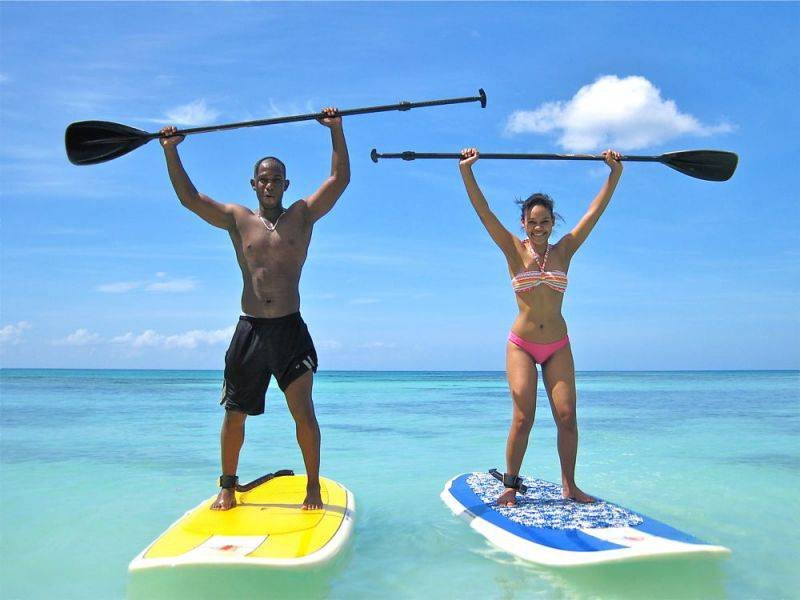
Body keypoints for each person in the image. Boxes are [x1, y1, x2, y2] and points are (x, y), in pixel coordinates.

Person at [159, 107, 349, 511]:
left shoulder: (302, 215)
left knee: (304, 412)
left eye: (276, 179)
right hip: (251, 331)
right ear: (253, 183)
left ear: (285, 183)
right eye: (263, 179)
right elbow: (189, 199)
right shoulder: (236, 219)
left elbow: (339, 179)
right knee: (235, 414)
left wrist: (336, 130)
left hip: (290, 330)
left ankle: (312, 486)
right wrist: (171, 151)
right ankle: (228, 485)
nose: (269, 185)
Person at [458, 147, 622, 505]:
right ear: (523, 223)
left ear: (552, 223)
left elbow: (594, 213)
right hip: (522, 344)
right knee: (523, 416)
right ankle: (510, 486)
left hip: (558, 345)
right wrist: (467, 172)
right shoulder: (512, 249)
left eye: (544, 221)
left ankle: (570, 486)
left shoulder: (565, 250)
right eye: (532, 221)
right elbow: (483, 212)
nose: (538, 227)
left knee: (567, 416)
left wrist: (614, 175)